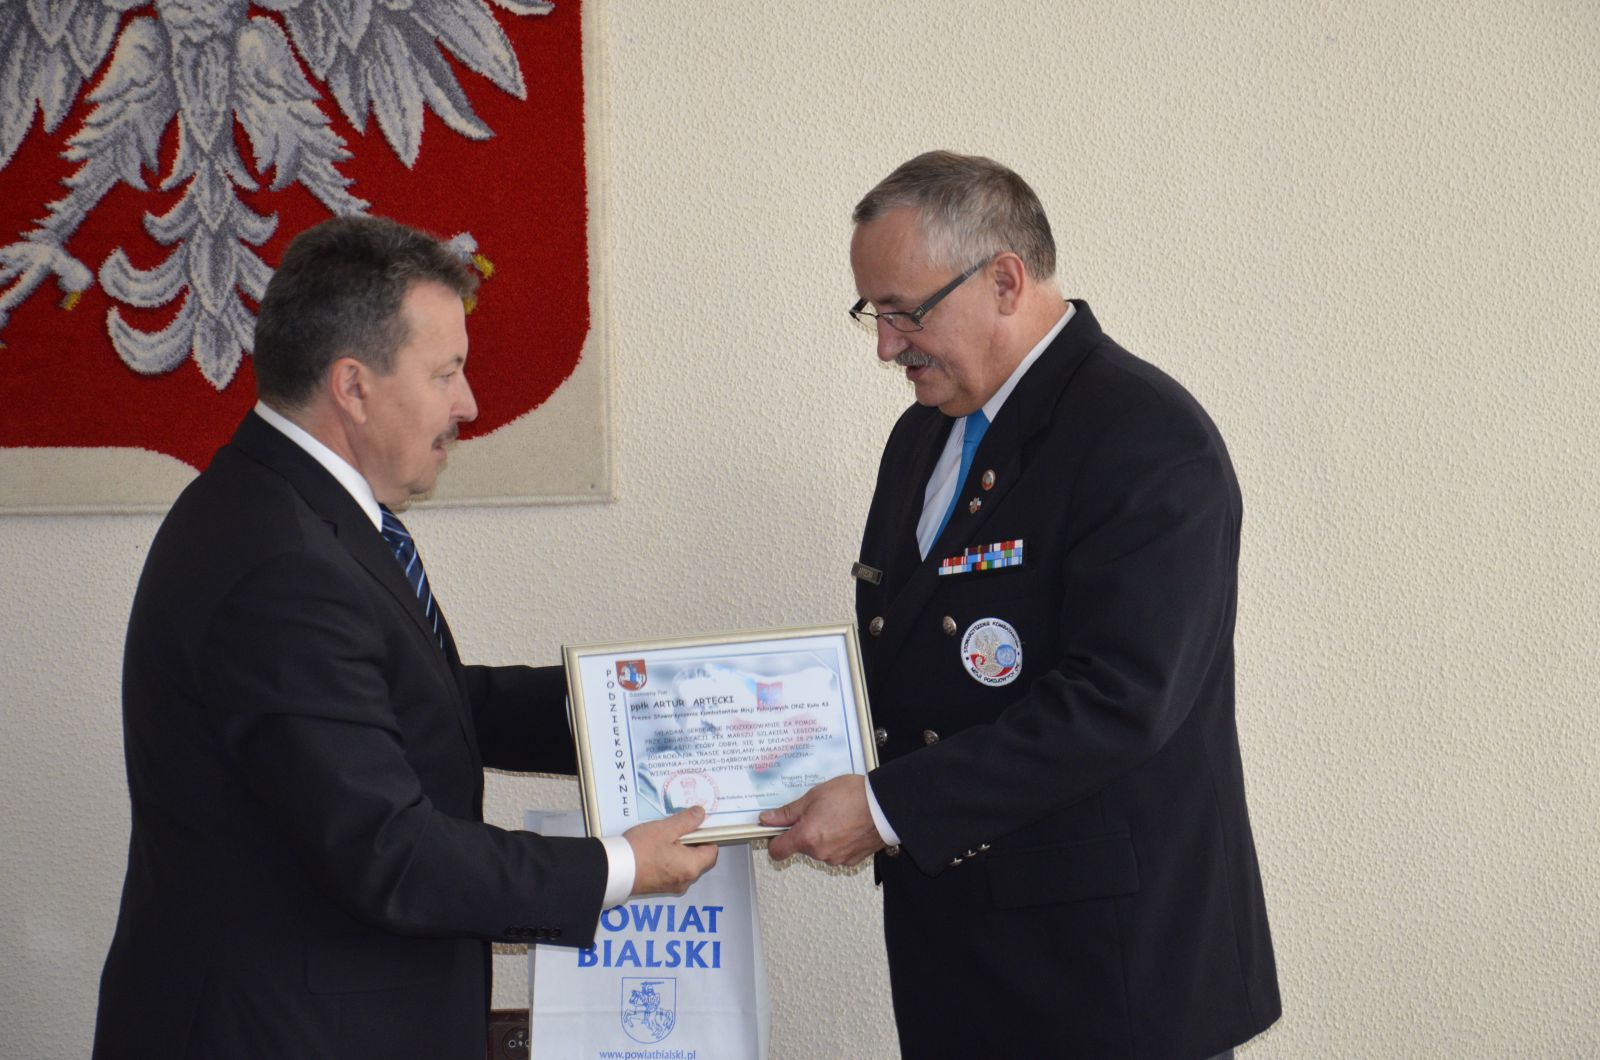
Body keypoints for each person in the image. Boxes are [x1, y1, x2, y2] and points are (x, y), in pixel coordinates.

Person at [92, 215, 717, 1059]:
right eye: (446, 373)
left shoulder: (297, 512)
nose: (469, 404)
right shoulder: (280, 560)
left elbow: (425, 703)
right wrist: (621, 867)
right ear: (353, 387)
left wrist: (651, 711)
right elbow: (389, 852)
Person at [761, 152, 1280, 1058]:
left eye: (905, 311)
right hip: (959, 967)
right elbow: (903, 677)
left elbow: (1118, 702)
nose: (886, 345)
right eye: (872, 314)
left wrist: (885, 808)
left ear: (1004, 280)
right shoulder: (922, 439)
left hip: (1110, 982)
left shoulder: (1144, 435)